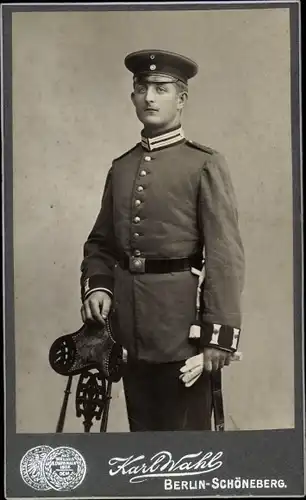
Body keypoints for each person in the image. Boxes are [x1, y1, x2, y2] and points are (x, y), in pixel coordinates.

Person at [80, 49, 245, 431]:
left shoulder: (203, 164)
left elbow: (224, 258)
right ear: (133, 97)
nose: (150, 97)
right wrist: (98, 287)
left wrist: (217, 340)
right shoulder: (120, 168)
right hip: (129, 336)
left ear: (181, 98)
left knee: (185, 457)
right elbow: (101, 244)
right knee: (143, 445)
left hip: (182, 338)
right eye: (142, 88)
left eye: (161, 88)